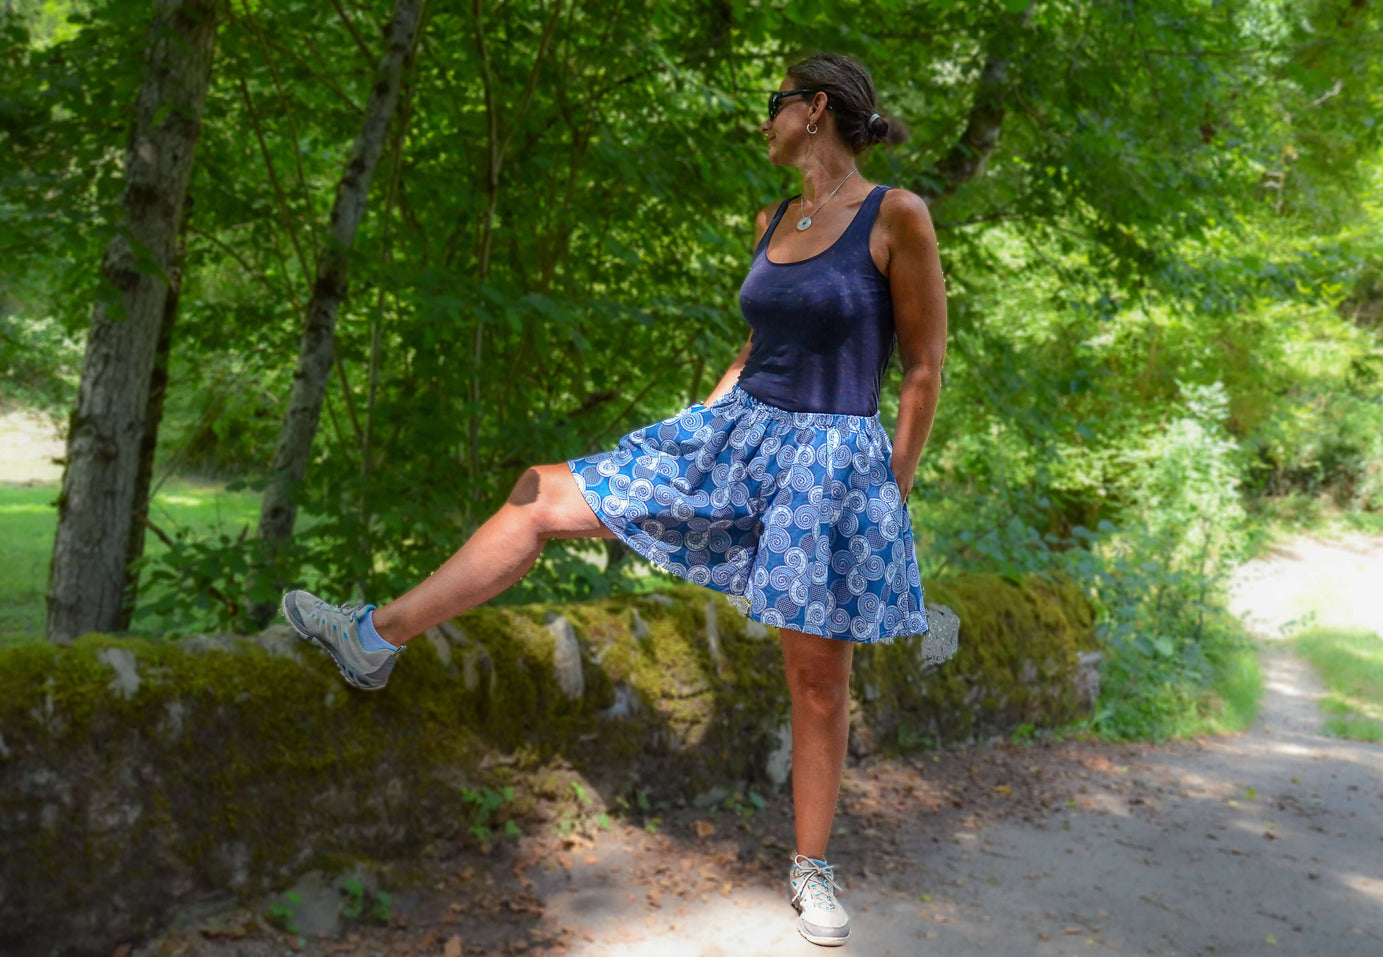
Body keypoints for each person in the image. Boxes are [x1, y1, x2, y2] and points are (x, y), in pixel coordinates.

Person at [282, 51, 945, 949]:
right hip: (737, 435)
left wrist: (887, 497)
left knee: (818, 682)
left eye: (774, 104)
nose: (765, 120)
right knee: (539, 495)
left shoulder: (895, 214)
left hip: (833, 467)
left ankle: (810, 867)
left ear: (814, 108)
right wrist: (689, 429)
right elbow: (756, 354)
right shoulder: (772, 219)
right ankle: (372, 637)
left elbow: (923, 368)